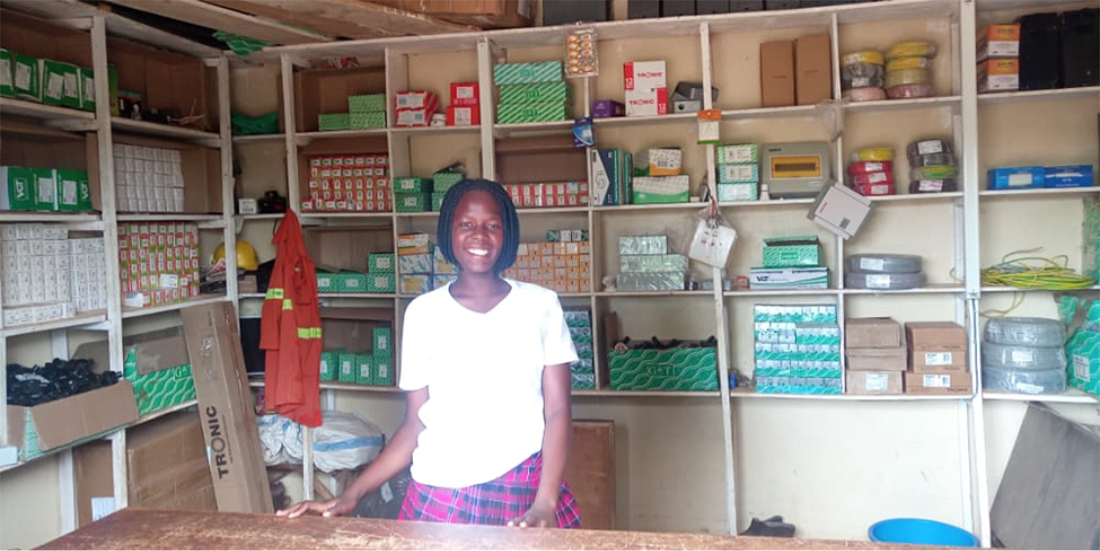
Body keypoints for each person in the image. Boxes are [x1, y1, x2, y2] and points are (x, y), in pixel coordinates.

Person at [277, 179, 581, 529]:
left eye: (492, 225)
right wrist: (352, 494)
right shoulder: (423, 313)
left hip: (520, 486)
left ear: (507, 233)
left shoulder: (540, 305)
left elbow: (558, 411)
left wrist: (545, 502)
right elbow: (416, 422)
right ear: (448, 232)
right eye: (466, 224)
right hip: (441, 490)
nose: (479, 235)